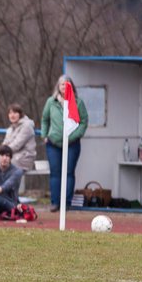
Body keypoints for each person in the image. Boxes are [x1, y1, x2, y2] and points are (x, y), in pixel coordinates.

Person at [40, 78, 88, 212]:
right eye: (62, 84)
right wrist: (44, 135)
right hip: (53, 143)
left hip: (72, 143)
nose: (64, 87)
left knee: (68, 172)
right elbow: (44, 119)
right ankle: (55, 202)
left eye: (67, 84)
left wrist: (73, 136)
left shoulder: (78, 103)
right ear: (58, 86)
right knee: (55, 173)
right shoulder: (51, 102)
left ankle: (66, 203)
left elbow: (83, 122)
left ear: (71, 87)